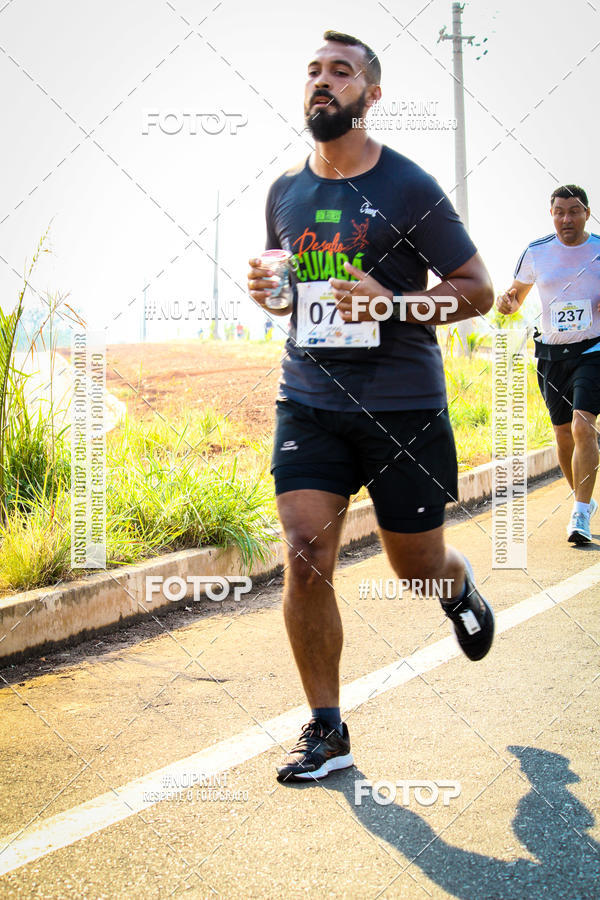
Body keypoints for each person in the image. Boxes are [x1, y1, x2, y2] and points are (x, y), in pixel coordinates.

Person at [247, 30, 495, 783]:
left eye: (342, 73)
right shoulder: (286, 189)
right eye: (315, 70)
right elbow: (290, 283)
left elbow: (478, 290)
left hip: (402, 406)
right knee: (303, 550)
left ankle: (455, 587)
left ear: (371, 95)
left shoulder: (409, 187)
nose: (323, 81)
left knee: (413, 566)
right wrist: (271, 292)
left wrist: (396, 303)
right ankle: (328, 730)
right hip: (311, 398)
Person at [497, 185, 600, 544]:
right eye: (559, 212)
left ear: (587, 212)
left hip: (592, 351)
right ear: (551, 214)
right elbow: (515, 296)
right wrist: (507, 303)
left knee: (582, 427)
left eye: (573, 211)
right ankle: (582, 502)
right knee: (562, 434)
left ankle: (580, 515)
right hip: (551, 355)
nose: (566, 219)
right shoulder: (537, 252)